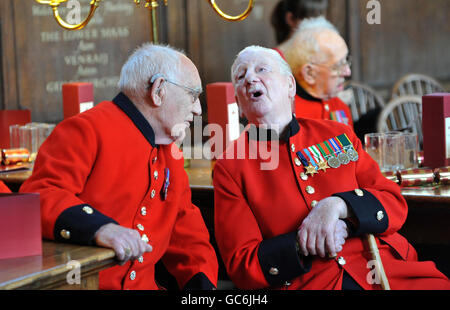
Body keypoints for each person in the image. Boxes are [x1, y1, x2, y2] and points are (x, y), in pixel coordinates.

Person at [213, 45, 450, 290]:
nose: (250, 78)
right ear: (239, 104)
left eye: (262, 69)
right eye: (241, 77)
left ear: (290, 86)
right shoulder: (231, 167)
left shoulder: (337, 134)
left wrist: (339, 207)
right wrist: (305, 241)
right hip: (313, 283)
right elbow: (243, 263)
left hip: (387, 269)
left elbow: (393, 202)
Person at [20, 43, 218, 290]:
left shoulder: (170, 155)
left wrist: (201, 289)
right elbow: (40, 195)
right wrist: (100, 228)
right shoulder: (87, 130)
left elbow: (191, 240)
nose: (198, 109)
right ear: (159, 90)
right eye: (192, 94)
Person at [278, 16, 353, 127]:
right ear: (309, 73)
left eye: (346, 60)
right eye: (338, 65)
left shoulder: (339, 106)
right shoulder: (283, 115)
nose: (347, 72)